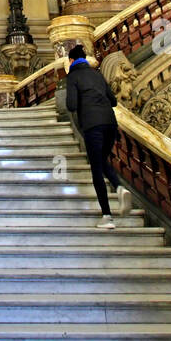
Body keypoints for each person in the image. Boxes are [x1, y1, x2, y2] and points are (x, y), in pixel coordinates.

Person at [65, 43, 128, 229]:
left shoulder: (73, 76)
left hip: (92, 125)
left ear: (70, 61)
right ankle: (119, 187)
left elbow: (71, 105)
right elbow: (114, 101)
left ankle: (107, 216)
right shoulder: (97, 74)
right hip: (110, 123)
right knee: (101, 160)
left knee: (96, 169)